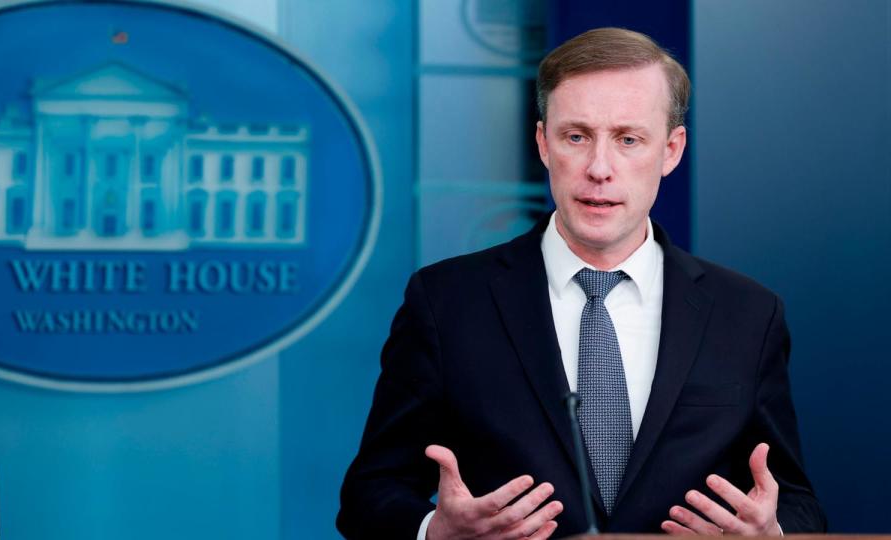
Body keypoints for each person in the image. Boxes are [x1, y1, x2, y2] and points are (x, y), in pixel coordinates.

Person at [337, 27, 826, 539]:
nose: (599, 169)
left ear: (672, 150)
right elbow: (370, 493)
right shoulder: (446, 302)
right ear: (543, 143)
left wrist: (772, 534)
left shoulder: (747, 313)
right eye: (576, 136)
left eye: (628, 139)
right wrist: (433, 531)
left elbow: (797, 501)